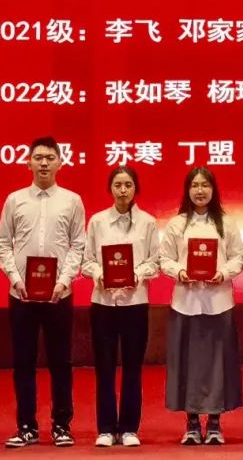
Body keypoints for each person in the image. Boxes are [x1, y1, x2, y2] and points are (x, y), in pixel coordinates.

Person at [0, 137, 86, 448]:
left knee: (61, 361)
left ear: (60, 162)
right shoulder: (15, 200)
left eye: (50, 158)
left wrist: (64, 281)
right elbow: (3, 243)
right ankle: (26, 426)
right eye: (38, 158)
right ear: (28, 163)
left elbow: (78, 245)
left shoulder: (72, 200)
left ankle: (62, 424)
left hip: (59, 294)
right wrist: (15, 278)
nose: (44, 163)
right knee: (23, 362)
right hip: (21, 294)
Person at [159, 167, 243, 445]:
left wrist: (223, 273)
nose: (200, 191)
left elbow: (238, 258)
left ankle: (216, 423)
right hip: (186, 302)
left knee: (218, 364)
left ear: (213, 190)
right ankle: (192, 423)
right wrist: (180, 272)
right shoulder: (177, 224)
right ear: (187, 190)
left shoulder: (226, 223)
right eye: (195, 185)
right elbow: (164, 259)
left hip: (218, 301)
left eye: (205, 185)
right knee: (189, 364)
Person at [80, 166, 159, 447]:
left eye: (128, 185)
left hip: (135, 302)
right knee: (104, 367)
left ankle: (128, 428)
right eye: (117, 185)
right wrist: (100, 274)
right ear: (110, 189)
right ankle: (105, 428)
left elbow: (155, 262)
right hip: (103, 303)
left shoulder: (148, 222)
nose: (123, 190)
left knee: (132, 367)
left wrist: (136, 275)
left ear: (135, 188)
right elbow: (86, 261)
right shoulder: (97, 221)